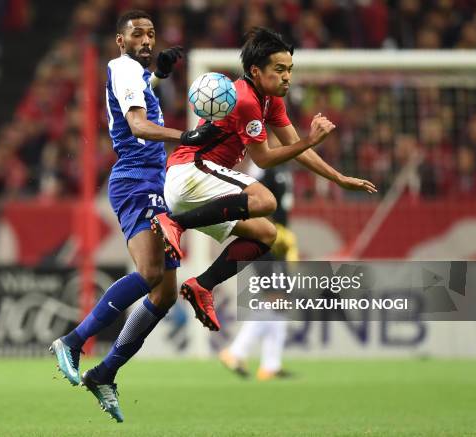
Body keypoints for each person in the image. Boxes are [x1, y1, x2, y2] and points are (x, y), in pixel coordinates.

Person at [50, 10, 220, 422]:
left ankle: (106, 372)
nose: (147, 39)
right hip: (136, 179)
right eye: (137, 34)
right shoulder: (123, 67)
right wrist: (187, 136)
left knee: (162, 293)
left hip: (152, 180)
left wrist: (157, 75)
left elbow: (137, 107)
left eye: (152, 33)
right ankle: (73, 341)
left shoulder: (134, 73)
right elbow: (139, 126)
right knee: (147, 274)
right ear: (120, 42)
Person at [151, 27, 377, 331]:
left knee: (265, 234)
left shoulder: (270, 100)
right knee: (264, 200)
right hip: (192, 170)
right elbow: (265, 157)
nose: (287, 77)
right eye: (279, 69)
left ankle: (202, 285)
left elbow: (294, 146)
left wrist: (338, 178)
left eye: (289, 70)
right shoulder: (245, 99)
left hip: (197, 185)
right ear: (255, 71)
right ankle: (176, 224)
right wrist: (311, 140)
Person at [220, 163, 296, 381]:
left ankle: (271, 364)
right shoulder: (265, 170)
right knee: (276, 297)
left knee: (280, 301)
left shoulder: (283, 169)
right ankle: (236, 352)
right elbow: (254, 202)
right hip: (265, 239)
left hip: (278, 241)